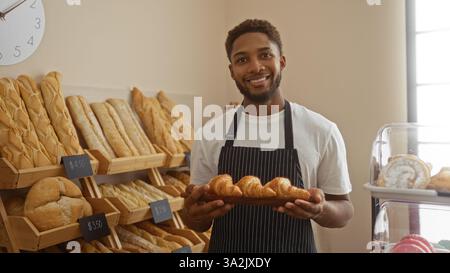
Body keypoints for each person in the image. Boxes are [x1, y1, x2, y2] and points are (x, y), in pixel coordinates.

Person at [181, 19, 354, 253]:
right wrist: (192, 213)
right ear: (232, 71)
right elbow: (197, 222)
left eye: (265, 55)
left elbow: (344, 209)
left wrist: (320, 210)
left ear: (281, 61)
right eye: (242, 60)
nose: (255, 67)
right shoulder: (210, 133)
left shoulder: (321, 130)